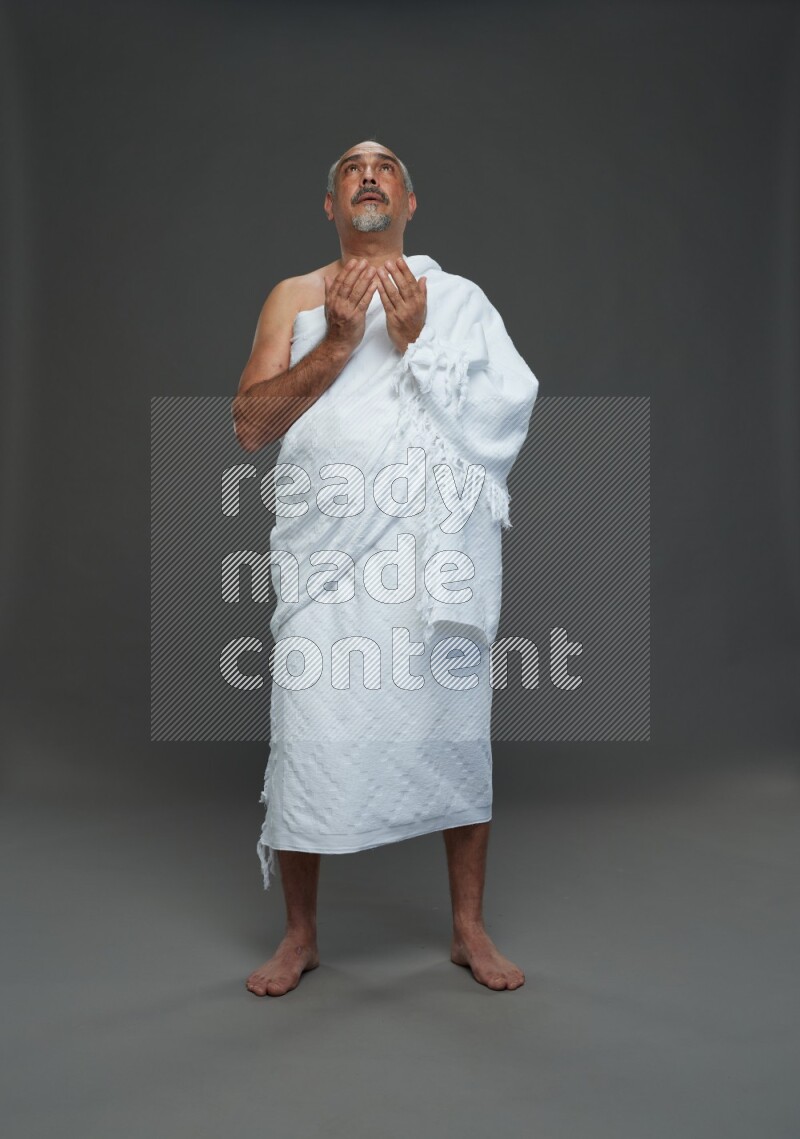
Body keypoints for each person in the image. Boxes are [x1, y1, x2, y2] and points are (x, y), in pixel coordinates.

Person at [232, 140, 539, 996]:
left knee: (453, 726)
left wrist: (416, 343)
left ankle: (467, 928)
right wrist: (336, 343)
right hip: (326, 559)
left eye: (386, 165)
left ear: (410, 201)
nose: (368, 173)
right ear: (330, 205)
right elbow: (251, 426)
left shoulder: (457, 300)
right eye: (350, 168)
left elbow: (503, 418)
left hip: (429, 560)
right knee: (307, 732)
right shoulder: (294, 297)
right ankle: (299, 936)